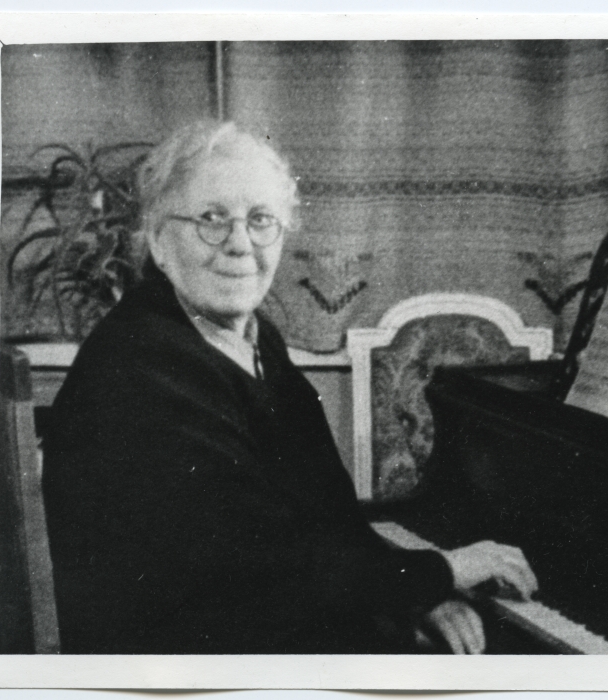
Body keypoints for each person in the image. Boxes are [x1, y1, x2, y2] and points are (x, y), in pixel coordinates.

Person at [42, 120, 538, 655]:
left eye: (260, 220)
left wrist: (416, 594)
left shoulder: (254, 340)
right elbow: (256, 570)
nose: (240, 244)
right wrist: (442, 570)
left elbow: (328, 519)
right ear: (160, 241)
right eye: (212, 219)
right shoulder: (141, 365)